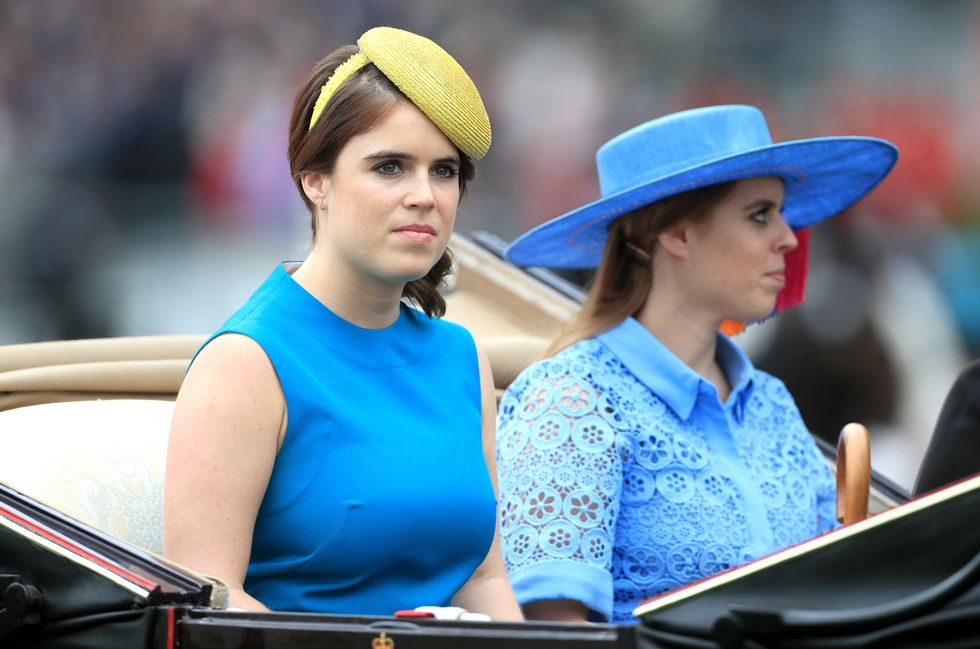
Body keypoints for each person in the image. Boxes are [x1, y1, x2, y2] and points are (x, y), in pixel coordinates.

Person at [164, 26, 522, 620]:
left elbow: (484, 582)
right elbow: (211, 605)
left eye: (444, 171)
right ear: (315, 181)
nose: (424, 195)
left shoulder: (462, 356)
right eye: (390, 167)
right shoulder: (246, 362)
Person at [497, 105, 898, 623]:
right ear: (677, 234)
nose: (790, 238)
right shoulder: (571, 398)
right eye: (760, 215)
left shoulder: (772, 404)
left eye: (780, 213)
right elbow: (555, 632)